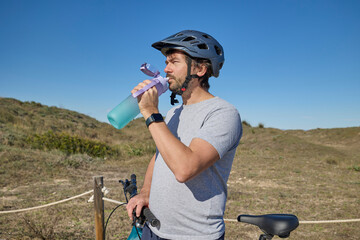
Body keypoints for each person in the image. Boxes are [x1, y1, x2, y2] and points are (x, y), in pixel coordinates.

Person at [127, 30, 242, 240]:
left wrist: (151, 113)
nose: (165, 69)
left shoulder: (223, 113)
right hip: (154, 228)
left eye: (174, 62)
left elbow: (184, 169)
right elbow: (160, 155)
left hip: (194, 235)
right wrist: (145, 192)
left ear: (199, 69)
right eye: (166, 61)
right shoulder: (173, 113)